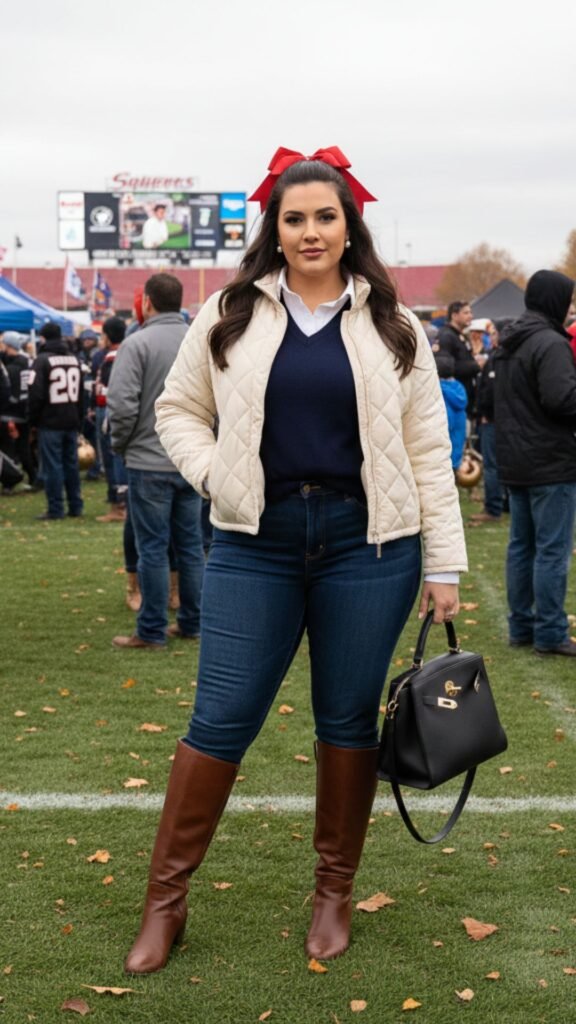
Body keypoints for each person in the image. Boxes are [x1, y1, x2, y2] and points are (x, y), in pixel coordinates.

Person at [123, 147, 467, 976]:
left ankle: (333, 895)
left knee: (346, 724)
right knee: (221, 718)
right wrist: (216, 475)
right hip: (253, 544)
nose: (310, 232)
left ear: (349, 227)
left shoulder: (393, 322)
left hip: (367, 547)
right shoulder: (233, 312)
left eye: (325, 216)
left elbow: (428, 450)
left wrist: (444, 565)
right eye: (294, 218)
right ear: (273, 231)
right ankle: (165, 905)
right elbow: (177, 411)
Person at [107, 273, 204, 649]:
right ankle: (192, 621)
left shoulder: (137, 343)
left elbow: (122, 405)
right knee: (191, 546)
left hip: (150, 461)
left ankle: (151, 629)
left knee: (153, 547)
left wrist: (121, 444)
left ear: (147, 302)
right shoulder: (198, 341)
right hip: (190, 459)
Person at [494, 270, 576, 655]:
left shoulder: (510, 341)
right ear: (555, 301)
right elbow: (561, 399)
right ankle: (549, 632)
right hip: (549, 461)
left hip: (517, 459)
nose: (570, 307)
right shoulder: (549, 342)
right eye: (569, 300)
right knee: (551, 550)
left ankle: (521, 626)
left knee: (521, 547)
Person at [28, 322, 83, 520]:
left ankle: (56, 508)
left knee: (53, 466)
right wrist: (80, 420)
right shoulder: (74, 359)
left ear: (43, 338)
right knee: (71, 465)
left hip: (50, 422)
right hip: (71, 419)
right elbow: (81, 395)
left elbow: (36, 395)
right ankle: (76, 506)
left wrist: (32, 421)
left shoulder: (42, 360)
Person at [469, 319, 510, 524]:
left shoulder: (499, 358)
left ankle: (493, 507)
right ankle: (502, 504)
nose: (490, 336)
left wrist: (485, 412)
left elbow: (492, 392)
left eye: (494, 333)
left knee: (492, 465)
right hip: (500, 419)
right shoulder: (499, 357)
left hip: (493, 420)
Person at [93, 316, 129, 522]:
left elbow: (110, 388)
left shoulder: (113, 357)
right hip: (113, 410)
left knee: (114, 457)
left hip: (110, 411)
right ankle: (120, 502)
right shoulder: (122, 353)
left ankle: (120, 505)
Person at [436, 300, 480, 417]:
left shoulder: (459, 335)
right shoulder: (446, 336)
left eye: (470, 312)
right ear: (454, 316)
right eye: (466, 313)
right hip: (454, 401)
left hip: (463, 398)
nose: (471, 316)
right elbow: (445, 368)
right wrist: (476, 365)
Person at [434, 353, 467, 471]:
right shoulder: (459, 387)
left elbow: (448, 421)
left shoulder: (437, 389)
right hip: (458, 439)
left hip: (442, 452)